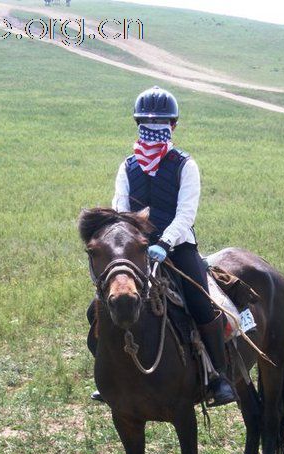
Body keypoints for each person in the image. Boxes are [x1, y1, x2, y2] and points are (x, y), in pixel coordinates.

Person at [90, 85, 236, 407]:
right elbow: (121, 210)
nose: (153, 132)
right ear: (137, 125)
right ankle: (110, 378)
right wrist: (136, 244)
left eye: (161, 125)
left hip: (178, 246)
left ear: (174, 126)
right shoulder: (127, 167)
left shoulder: (186, 165)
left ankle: (217, 377)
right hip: (135, 250)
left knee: (202, 303)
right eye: (146, 125)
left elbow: (186, 213)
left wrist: (165, 243)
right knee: (97, 307)